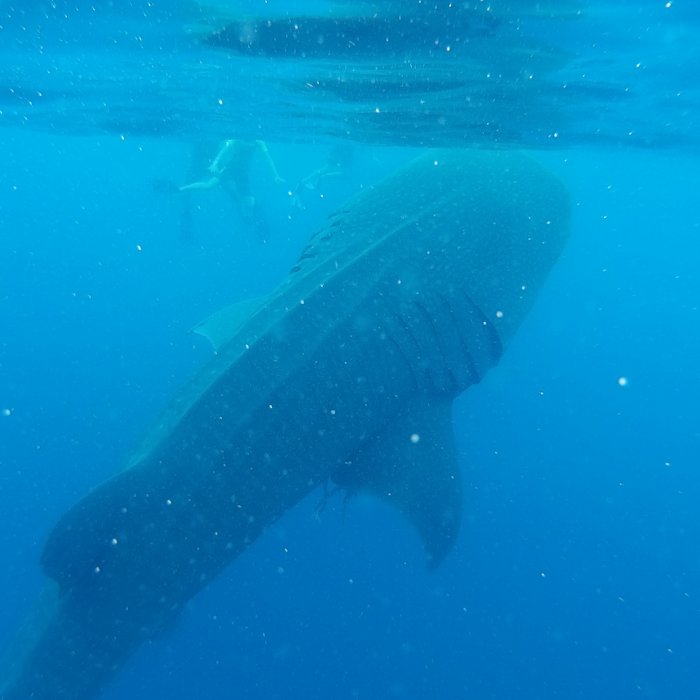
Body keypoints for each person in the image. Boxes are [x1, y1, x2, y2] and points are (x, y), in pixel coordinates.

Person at [178, 139, 285, 238]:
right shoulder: (238, 139)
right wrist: (214, 164)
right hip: (230, 169)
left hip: (241, 173)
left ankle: (248, 214)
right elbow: (225, 149)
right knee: (209, 186)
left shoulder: (258, 142)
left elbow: (268, 158)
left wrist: (276, 175)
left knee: (246, 199)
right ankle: (181, 189)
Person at [291, 143, 354, 208]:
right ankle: (313, 180)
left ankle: (304, 183)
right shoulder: (346, 150)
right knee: (343, 173)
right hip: (345, 150)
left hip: (340, 149)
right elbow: (345, 173)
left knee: (328, 168)